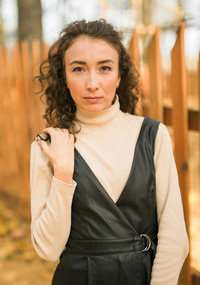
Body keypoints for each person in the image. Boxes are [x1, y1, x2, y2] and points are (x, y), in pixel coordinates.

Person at [30, 19, 189, 285]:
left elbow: (175, 239)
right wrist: (63, 175)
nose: (92, 83)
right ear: (64, 77)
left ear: (119, 76)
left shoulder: (152, 135)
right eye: (79, 69)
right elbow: (48, 249)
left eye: (104, 68)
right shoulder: (47, 144)